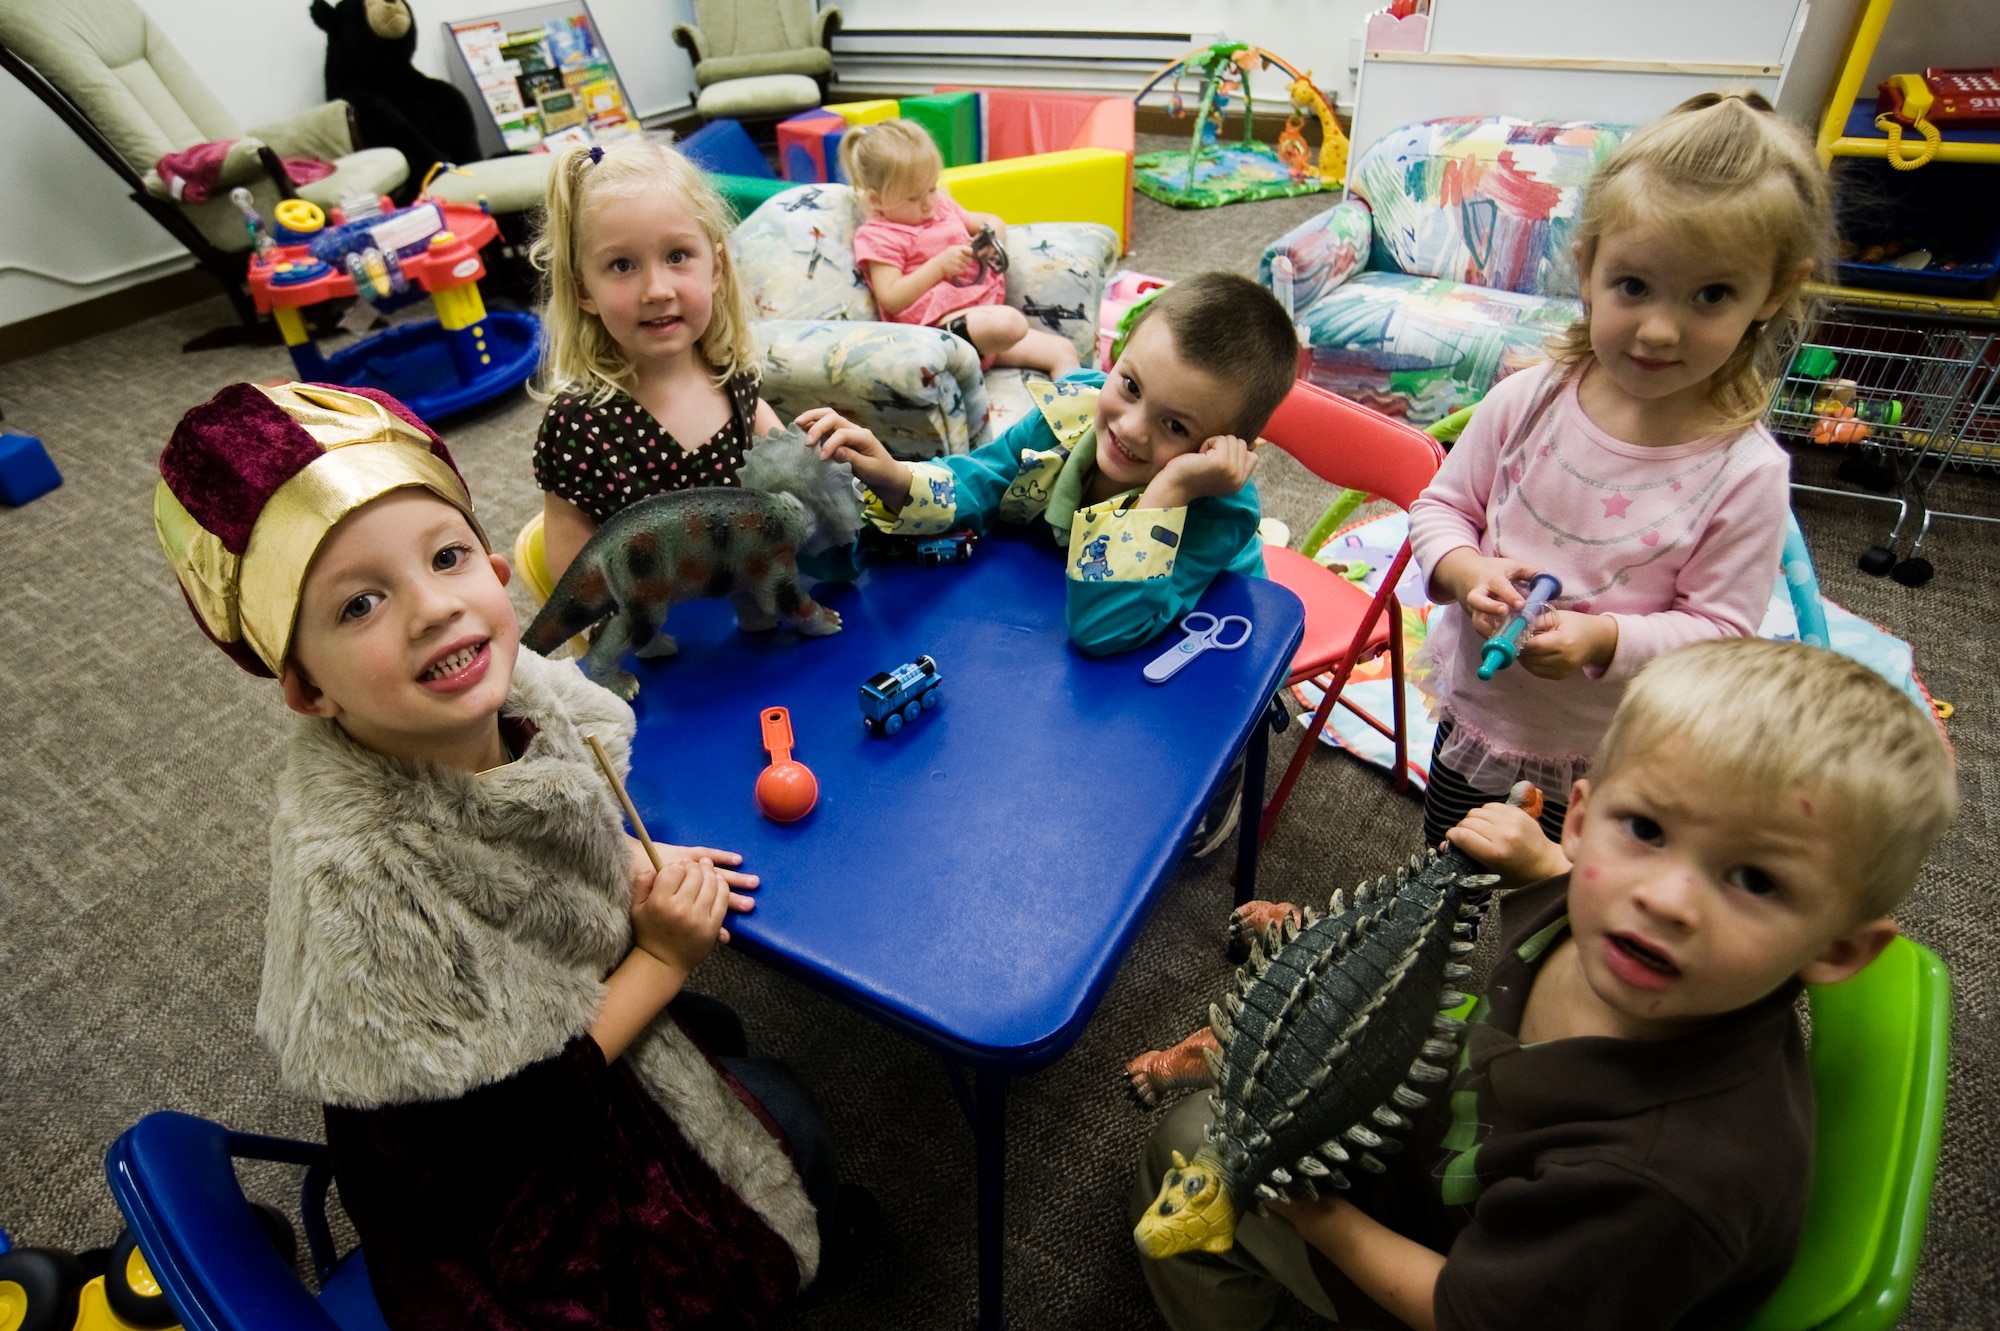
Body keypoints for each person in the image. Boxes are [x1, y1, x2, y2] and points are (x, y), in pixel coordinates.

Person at [154, 381, 872, 1330]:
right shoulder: (364, 889)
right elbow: (511, 1130)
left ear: (494, 570)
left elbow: (534, 815)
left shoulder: (513, 687)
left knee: (727, 1037)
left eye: (447, 558)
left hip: (554, 1028)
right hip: (506, 1191)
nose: (432, 610)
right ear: (306, 687)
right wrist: (659, 957)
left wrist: (621, 856)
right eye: (361, 602)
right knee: (787, 1118)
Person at [1133, 636, 1957, 1331]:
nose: (1663, 898)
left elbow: (1468, 1312)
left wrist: (1312, 1214)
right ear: (1586, 816)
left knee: (1185, 1143)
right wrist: (1543, 864)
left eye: (1756, 879)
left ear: (1840, 948)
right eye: (1646, 829)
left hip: (1455, 1273)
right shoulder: (1625, 930)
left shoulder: (1661, 1181)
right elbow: (1582, 881)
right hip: (1451, 1156)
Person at [1408, 91, 1832, 849]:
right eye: (1633, 286)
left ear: (1773, 293)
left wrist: (1604, 638)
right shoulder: (1527, 399)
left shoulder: (1745, 472)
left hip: (1614, 755)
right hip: (1481, 718)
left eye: (1712, 295)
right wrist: (1469, 570)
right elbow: (1442, 508)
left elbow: (1719, 634)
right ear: (1588, 268)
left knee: (1570, 912)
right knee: (1449, 873)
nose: (1660, 329)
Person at [797, 271, 1297, 656]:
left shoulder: (1217, 510)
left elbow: (1104, 629)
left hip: (1207, 670)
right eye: (1130, 386)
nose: (1130, 428)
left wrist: (1170, 491)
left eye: (1175, 427)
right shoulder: (1067, 414)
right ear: (1114, 359)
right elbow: (985, 477)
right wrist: (895, 475)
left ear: (1222, 446)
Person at [529, 138, 787, 583]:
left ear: (716, 269)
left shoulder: (733, 377)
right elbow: (575, 584)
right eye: (622, 265)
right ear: (584, 291)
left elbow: (795, 478)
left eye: (677, 256)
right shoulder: (576, 427)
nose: (657, 290)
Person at [842, 118, 1080, 377]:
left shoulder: (941, 207)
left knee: (1063, 351)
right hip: (937, 334)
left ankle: (1072, 415)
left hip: (983, 330)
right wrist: (939, 267)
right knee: (1009, 323)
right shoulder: (879, 235)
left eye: (931, 188)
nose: (928, 204)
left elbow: (991, 221)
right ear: (875, 199)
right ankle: (955, 360)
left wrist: (992, 240)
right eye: (913, 198)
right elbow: (891, 298)